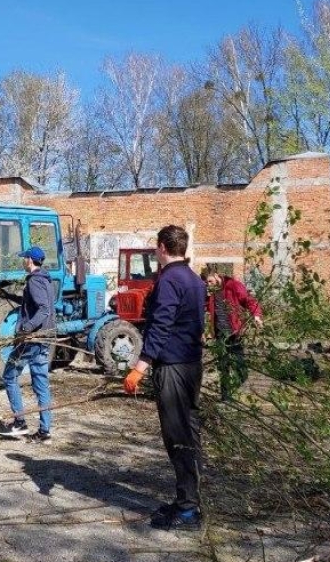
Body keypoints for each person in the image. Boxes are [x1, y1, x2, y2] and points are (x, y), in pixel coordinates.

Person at [121, 225, 207, 531]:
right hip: (191, 365)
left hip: (172, 367)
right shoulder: (195, 279)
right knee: (189, 432)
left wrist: (140, 367)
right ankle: (191, 498)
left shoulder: (170, 279)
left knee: (177, 437)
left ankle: (188, 510)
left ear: (161, 248)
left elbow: (161, 326)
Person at [0, 246, 56, 444]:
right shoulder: (46, 280)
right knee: (41, 383)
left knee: (9, 375)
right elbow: (40, 304)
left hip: (32, 339)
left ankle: (20, 422)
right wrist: (11, 297)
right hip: (45, 338)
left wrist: (26, 328)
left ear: (30, 260)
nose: (23, 261)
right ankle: (45, 431)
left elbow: (43, 310)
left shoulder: (34, 281)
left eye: (25, 258)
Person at [203, 269, 264, 401]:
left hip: (234, 334)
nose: (208, 284)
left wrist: (257, 315)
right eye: (207, 282)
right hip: (220, 336)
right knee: (223, 367)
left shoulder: (233, 286)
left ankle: (233, 389)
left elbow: (249, 300)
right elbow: (204, 307)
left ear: (217, 276)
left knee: (242, 371)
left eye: (210, 281)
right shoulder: (211, 295)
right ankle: (225, 398)